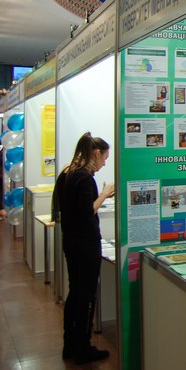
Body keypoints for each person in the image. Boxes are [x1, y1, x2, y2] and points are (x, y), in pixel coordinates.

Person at [53, 132, 115, 364]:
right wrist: (105, 194)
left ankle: (70, 344)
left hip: (71, 242)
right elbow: (86, 210)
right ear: (96, 153)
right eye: (104, 158)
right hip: (85, 245)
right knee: (86, 296)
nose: (104, 164)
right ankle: (83, 348)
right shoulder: (85, 178)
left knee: (75, 293)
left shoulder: (67, 173)